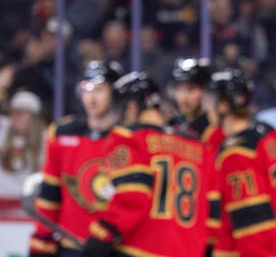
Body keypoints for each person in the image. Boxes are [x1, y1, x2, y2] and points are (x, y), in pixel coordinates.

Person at [82, 72, 214, 257]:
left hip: (140, 249)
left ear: (131, 107)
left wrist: (101, 236)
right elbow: (212, 209)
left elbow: (132, 197)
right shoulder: (198, 146)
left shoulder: (129, 136)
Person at [29, 61, 123, 257]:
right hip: (70, 246)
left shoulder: (128, 137)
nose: (92, 97)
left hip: (115, 248)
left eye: (99, 89)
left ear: (114, 94)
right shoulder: (63, 133)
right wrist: (42, 238)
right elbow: (50, 193)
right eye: (87, 89)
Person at [210, 68, 276, 257]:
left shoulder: (235, 152)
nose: (207, 107)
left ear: (224, 105)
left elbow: (252, 223)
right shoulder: (267, 134)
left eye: (211, 100)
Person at [167, 57, 224, 149]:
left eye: (191, 89)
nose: (183, 98)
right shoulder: (172, 124)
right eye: (178, 89)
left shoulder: (213, 129)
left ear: (206, 92)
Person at [0, 90, 44, 198]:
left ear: (34, 117)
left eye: (20, 113)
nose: (15, 117)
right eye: (13, 112)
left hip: (27, 205)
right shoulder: (3, 131)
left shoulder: (45, 139)